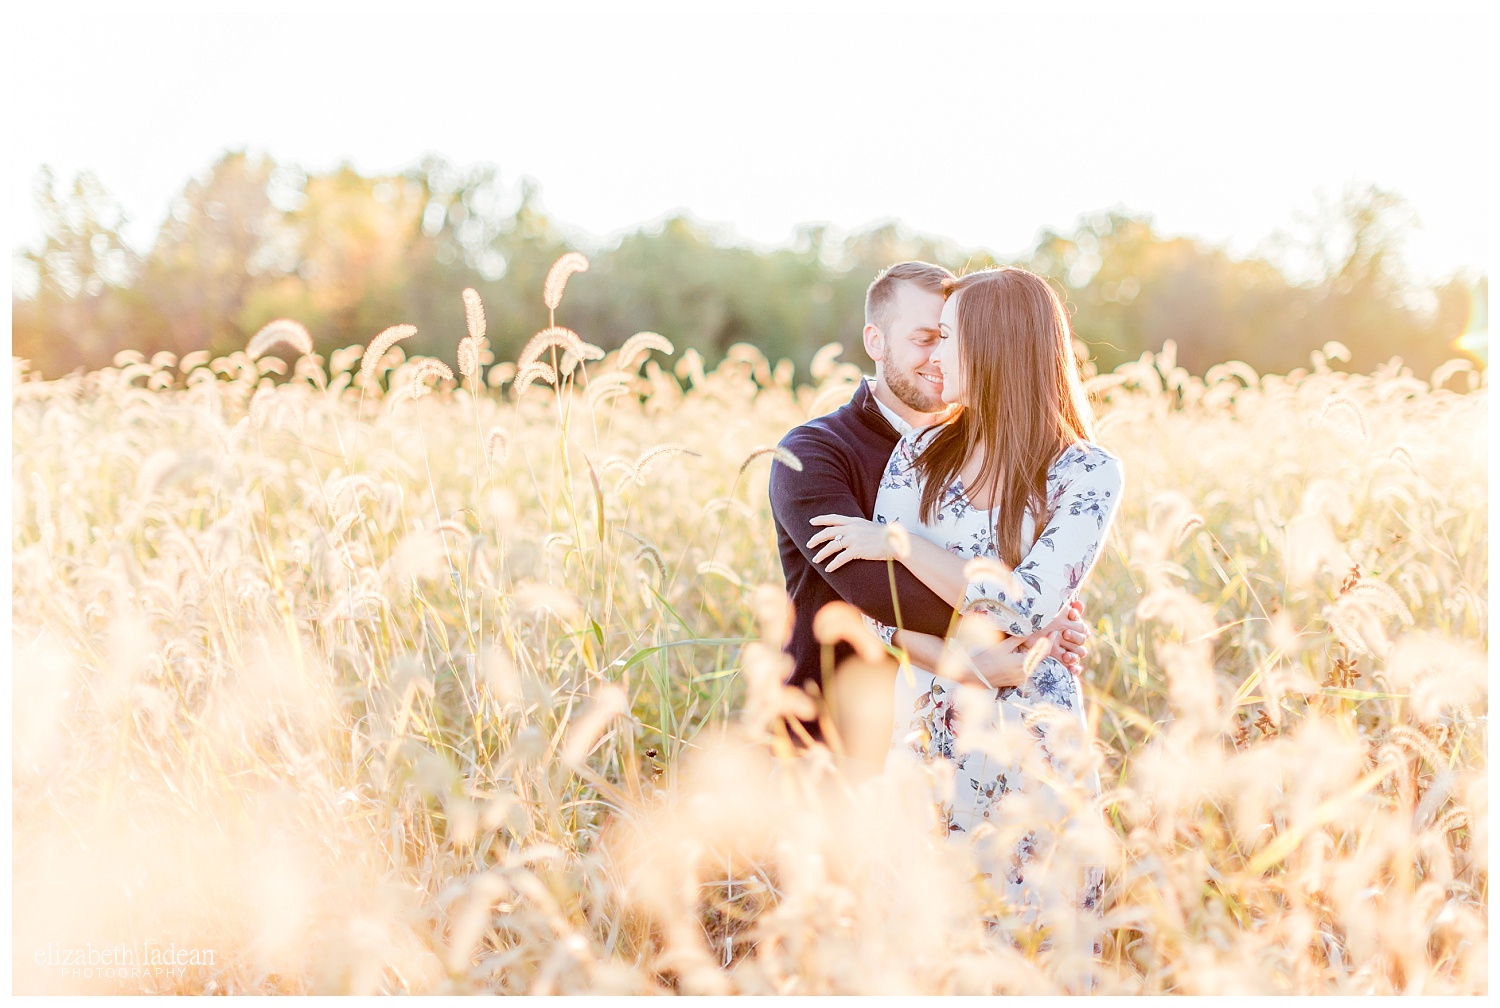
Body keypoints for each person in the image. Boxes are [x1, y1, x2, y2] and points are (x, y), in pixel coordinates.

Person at [802, 266, 1122, 981]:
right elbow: (871, 608)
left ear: (994, 344)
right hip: (927, 743)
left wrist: (903, 545)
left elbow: (1028, 607)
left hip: (1035, 752)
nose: (934, 356)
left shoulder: (1087, 472)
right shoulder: (918, 458)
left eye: (946, 338)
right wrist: (971, 660)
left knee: (1042, 960)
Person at [767, 262, 1090, 759]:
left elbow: (1042, 563)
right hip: (832, 737)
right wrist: (1032, 620)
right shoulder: (813, 454)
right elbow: (879, 592)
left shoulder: (990, 451)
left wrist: (1044, 610)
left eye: (950, 337)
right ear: (875, 341)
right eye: (924, 338)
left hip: (964, 742)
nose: (941, 356)